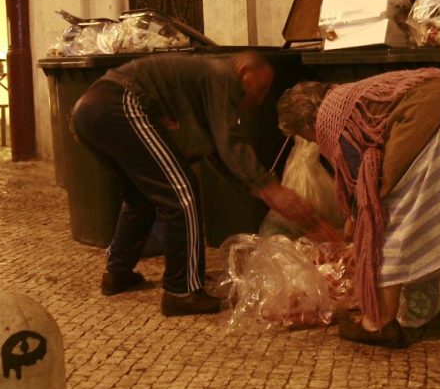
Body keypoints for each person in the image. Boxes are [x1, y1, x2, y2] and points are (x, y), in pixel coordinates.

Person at [276, 70, 440, 349]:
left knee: (384, 216)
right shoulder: (353, 94)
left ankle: (378, 323)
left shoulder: (333, 119)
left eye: (306, 137)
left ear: (308, 124)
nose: (313, 143)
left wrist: (358, 228)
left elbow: (369, 190)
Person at [71, 51, 334, 317]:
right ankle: (181, 291)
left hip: (89, 110)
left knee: (141, 197)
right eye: (261, 87)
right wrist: (270, 187)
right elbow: (228, 142)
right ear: (243, 71)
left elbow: (217, 152)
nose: (259, 98)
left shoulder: (205, 81)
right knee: (181, 193)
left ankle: (117, 273)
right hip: (118, 103)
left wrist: (259, 189)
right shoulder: (221, 76)